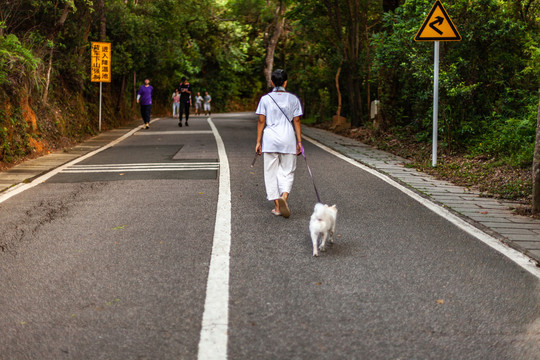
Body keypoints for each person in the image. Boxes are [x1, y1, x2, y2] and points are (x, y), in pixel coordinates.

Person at [255, 69, 303, 218]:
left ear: (272, 82)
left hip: (270, 139)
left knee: (270, 173)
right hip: (288, 138)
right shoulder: (293, 99)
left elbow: (261, 121)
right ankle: (285, 197)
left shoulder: (265, 99)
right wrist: (299, 142)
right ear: (285, 82)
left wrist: (258, 141)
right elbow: (296, 120)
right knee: (288, 170)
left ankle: (277, 206)